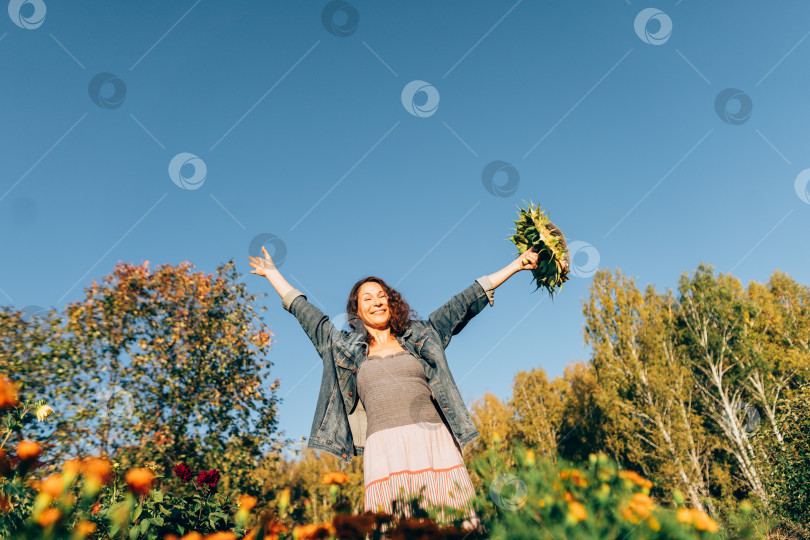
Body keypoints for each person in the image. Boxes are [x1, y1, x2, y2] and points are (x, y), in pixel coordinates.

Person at [248, 245, 551, 532]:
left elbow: (463, 302)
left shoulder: (422, 334)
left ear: (391, 303)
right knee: (395, 528)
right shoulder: (344, 347)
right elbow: (308, 315)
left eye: (381, 296)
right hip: (384, 450)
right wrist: (273, 274)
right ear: (357, 311)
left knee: (452, 524)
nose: (376, 302)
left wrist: (517, 265)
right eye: (366, 299)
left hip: (435, 444)